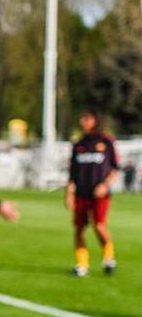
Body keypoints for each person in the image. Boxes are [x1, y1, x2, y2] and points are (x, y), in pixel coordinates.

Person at [65, 108, 120, 276]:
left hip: (99, 194)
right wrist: (69, 193)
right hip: (81, 193)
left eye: (87, 118)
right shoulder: (78, 144)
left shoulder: (106, 141)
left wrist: (105, 185)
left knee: (99, 226)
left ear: (95, 120)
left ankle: (109, 257)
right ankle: (82, 265)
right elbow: (72, 174)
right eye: (82, 118)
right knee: (79, 229)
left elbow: (115, 168)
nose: (84, 122)